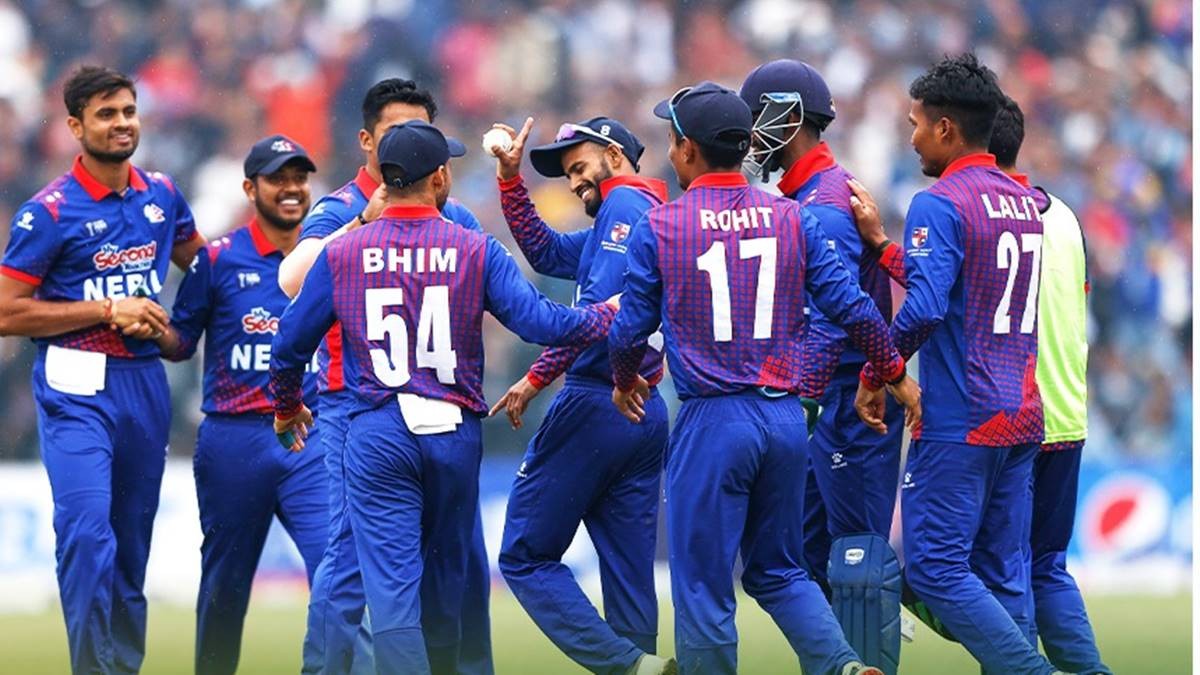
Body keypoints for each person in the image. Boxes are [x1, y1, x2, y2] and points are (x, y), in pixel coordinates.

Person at [269, 120, 619, 675]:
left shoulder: (344, 252)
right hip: (453, 434)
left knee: (392, 599)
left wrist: (288, 405)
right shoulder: (475, 247)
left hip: (378, 432)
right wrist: (606, 314)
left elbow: (289, 344)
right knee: (446, 588)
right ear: (439, 177)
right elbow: (541, 323)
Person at [607, 81, 920, 675]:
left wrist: (625, 379)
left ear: (689, 149)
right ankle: (842, 665)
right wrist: (894, 370)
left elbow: (627, 333)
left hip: (712, 419)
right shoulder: (792, 217)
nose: (669, 153)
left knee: (703, 588)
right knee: (781, 572)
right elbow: (855, 308)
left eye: (672, 142)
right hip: (783, 421)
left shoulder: (662, 225)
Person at [852, 94, 1109, 674]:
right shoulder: (1033, 206)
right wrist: (889, 249)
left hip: (964, 416)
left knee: (935, 568)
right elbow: (966, 284)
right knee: (1012, 572)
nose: (911, 138)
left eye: (916, 125)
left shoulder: (940, 201)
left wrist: (878, 372)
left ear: (947, 128)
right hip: (1030, 414)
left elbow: (926, 306)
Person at [276, 78, 492, 675]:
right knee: (349, 558)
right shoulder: (341, 207)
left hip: (443, 406)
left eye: (422, 131)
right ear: (367, 141)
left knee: (463, 558)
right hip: (356, 403)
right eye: (397, 131)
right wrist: (363, 224)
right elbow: (292, 280)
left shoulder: (455, 213)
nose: (409, 143)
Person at [0, 65, 205, 674]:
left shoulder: (162, 195)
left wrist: (176, 335)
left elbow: (204, 271)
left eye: (129, 112)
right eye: (106, 114)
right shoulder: (48, 213)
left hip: (143, 383)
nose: (122, 124)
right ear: (75, 126)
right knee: (88, 536)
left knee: (131, 551)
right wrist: (107, 309)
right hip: (75, 385)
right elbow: (6, 311)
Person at [486, 115, 672, 675]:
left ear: (615, 155)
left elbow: (600, 319)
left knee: (524, 554)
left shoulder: (622, 207)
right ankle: (641, 661)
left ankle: (625, 664)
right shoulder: (648, 213)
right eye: (567, 173)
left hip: (600, 400)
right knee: (628, 575)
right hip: (645, 410)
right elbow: (545, 253)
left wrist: (541, 371)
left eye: (579, 166)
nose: (573, 182)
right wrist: (510, 181)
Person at [739, 59, 903, 671]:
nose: (747, 139)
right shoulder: (801, 197)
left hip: (848, 402)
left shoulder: (826, 204)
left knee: (856, 565)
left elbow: (833, 319)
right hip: (823, 399)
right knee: (807, 561)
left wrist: (800, 403)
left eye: (754, 123)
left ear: (786, 121)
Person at [153, 135, 329, 674]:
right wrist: (142, 325)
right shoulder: (217, 259)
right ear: (251, 189)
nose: (292, 188)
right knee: (224, 588)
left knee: (336, 575)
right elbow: (181, 344)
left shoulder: (330, 256)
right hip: (235, 440)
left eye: (299, 178)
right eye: (278, 179)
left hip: (311, 436)